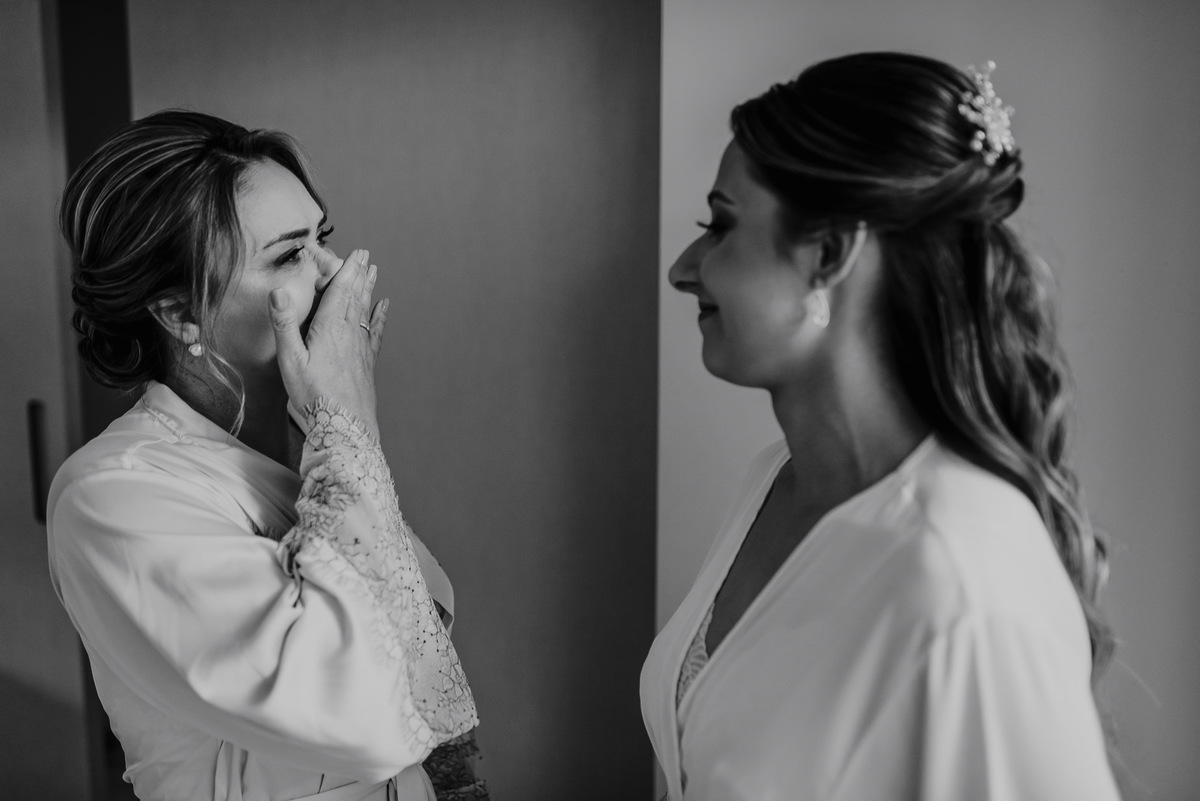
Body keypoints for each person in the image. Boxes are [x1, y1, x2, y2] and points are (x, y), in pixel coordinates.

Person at [641, 53, 1122, 800]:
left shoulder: (960, 577)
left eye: (722, 225)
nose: (683, 267)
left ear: (830, 253)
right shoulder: (775, 478)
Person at [47, 110, 487, 801]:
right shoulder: (113, 494)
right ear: (179, 314)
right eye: (288, 255)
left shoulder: (302, 446)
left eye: (324, 239)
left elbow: (422, 625)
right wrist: (347, 425)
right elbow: (355, 707)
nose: (336, 272)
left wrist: (337, 425)